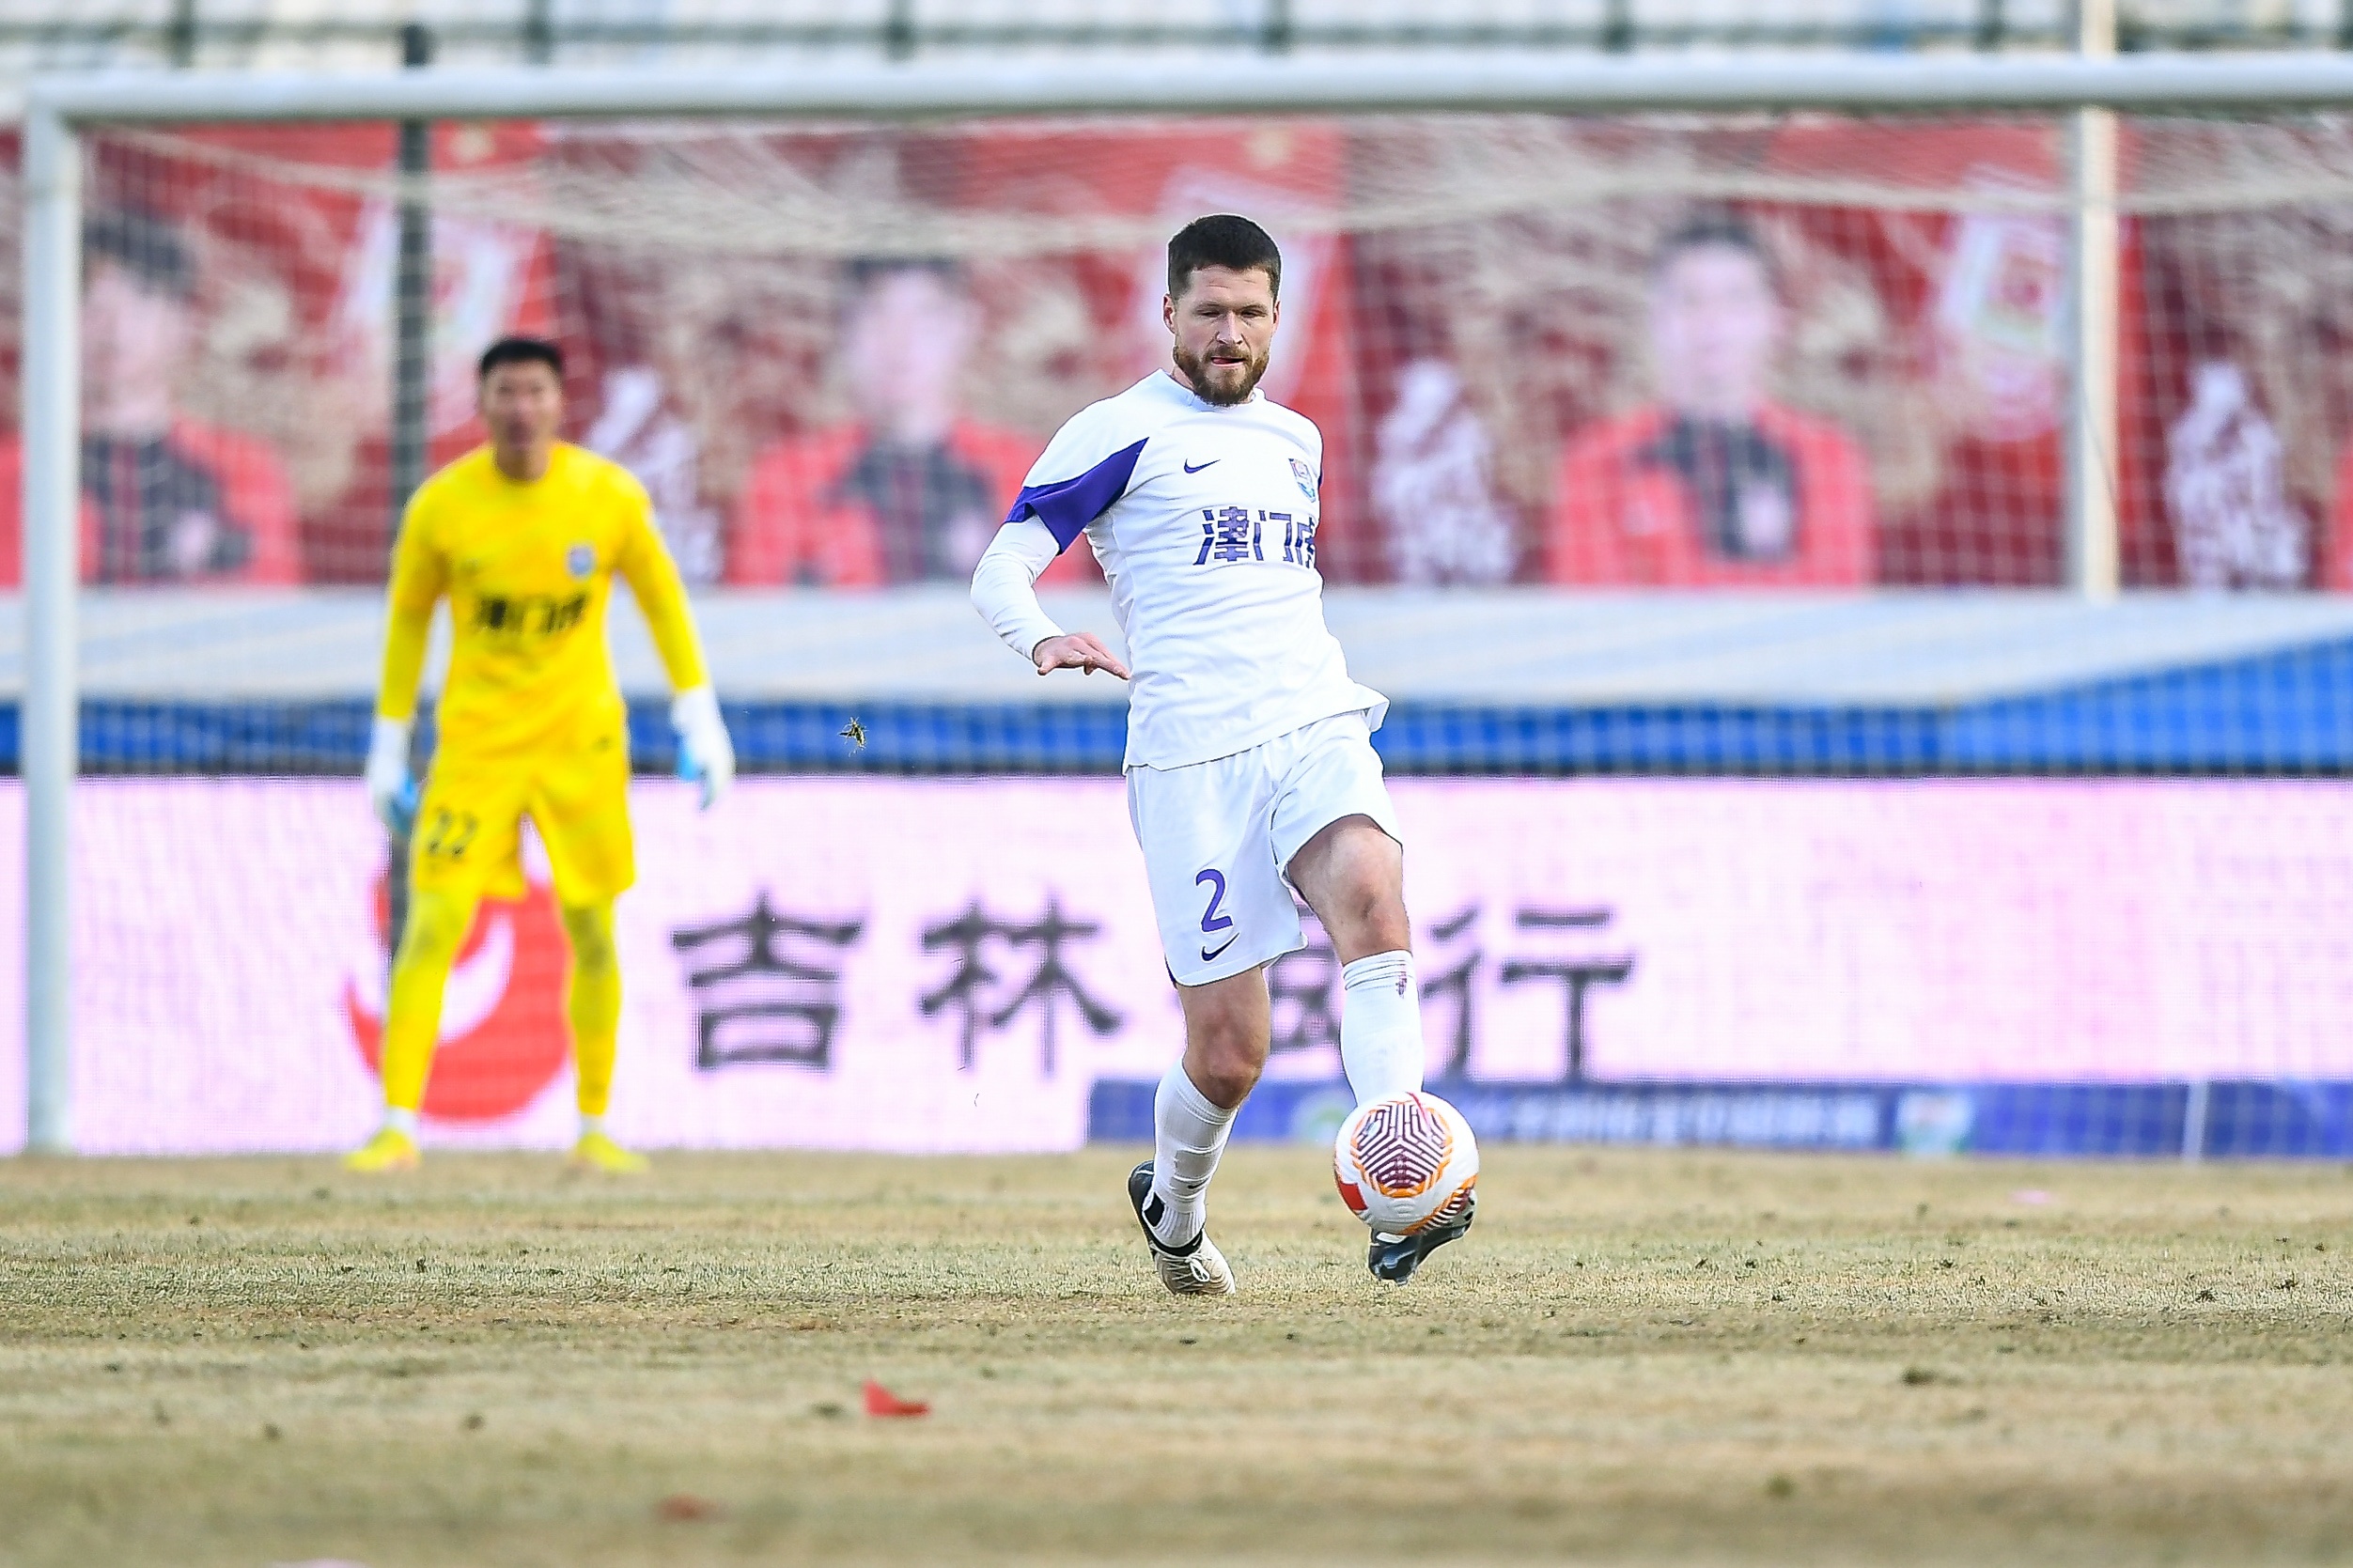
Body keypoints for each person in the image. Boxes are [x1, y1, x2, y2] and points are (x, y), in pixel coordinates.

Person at [969, 214, 1468, 1292]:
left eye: (1249, 313)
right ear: (1168, 313)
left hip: (1313, 721)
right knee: (1231, 1053)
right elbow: (999, 567)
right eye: (1208, 312)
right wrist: (1040, 636)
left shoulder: (1297, 440)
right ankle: (1174, 1208)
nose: (1229, 333)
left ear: (1277, 317)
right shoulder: (1115, 431)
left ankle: (1403, 1185)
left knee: (1374, 900)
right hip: (1191, 764)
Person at [346, 336, 736, 1173]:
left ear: (561, 402)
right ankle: (396, 1125)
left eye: (536, 391)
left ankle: (595, 1126)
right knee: (431, 923)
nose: (521, 408)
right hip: (476, 748)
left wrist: (699, 714)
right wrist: (387, 743)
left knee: (592, 928)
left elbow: (663, 602)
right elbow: (407, 622)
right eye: (506, 392)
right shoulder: (441, 508)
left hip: (579, 745)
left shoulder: (608, 496)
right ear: (482, 402)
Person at [1548, 212, 1874, 586]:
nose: (1711, 322)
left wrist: (1664, 568)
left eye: (1735, 301)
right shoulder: (1595, 460)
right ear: (1656, 319)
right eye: (1690, 301)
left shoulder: (1828, 456)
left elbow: (1834, 599)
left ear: (1776, 322)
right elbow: (1594, 605)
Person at [732, 257, 1083, 586]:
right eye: (876, 316)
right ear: (844, 328)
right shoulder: (788, 477)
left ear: (964, 326)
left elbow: (1059, 615)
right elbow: (753, 614)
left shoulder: (1030, 476)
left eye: (924, 317)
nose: (899, 345)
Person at [0, 207, 298, 586]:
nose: (116, 328)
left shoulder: (246, 471)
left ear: (185, 323)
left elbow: (274, 607)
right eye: (93, 303)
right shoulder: (14, 474)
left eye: (141, 300)